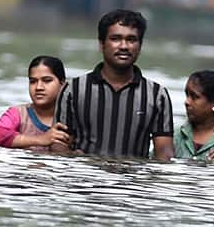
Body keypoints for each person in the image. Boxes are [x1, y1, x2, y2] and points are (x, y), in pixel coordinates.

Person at [53, 9, 174, 160]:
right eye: (116, 38)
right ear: (101, 44)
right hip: (84, 180)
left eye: (131, 40)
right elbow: (59, 147)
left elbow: (164, 155)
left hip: (133, 181)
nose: (124, 46)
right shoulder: (74, 90)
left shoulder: (157, 95)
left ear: (140, 45)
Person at [0, 56, 71, 151]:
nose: (39, 87)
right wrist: (41, 139)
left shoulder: (75, 116)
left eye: (47, 80)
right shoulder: (18, 113)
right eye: (33, 81)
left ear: (63, 84)